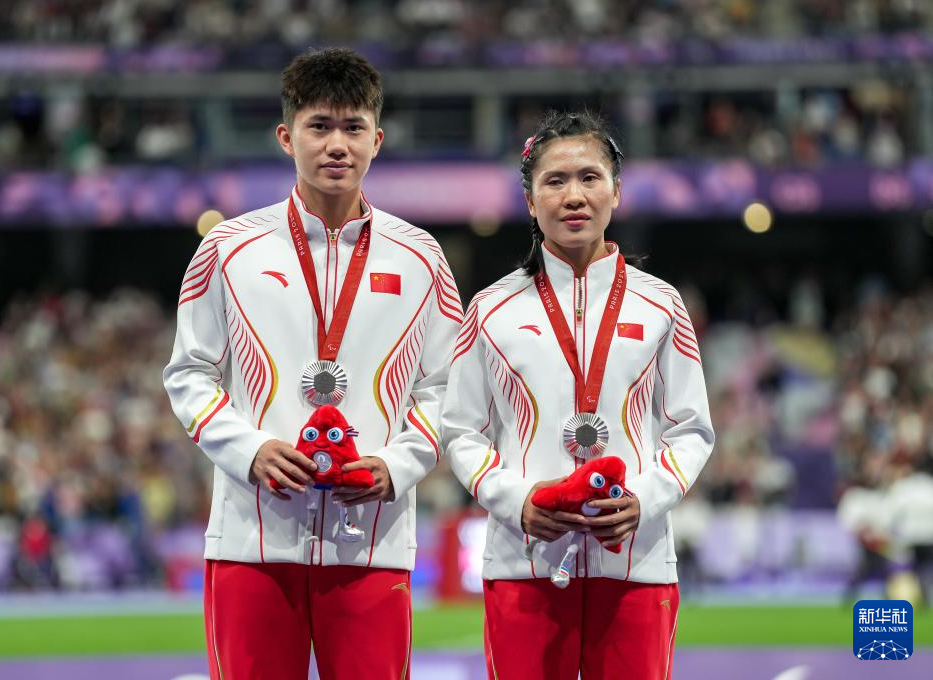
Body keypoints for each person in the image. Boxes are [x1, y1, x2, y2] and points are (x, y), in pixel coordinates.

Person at [163, 48, 462, 680]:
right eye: (318, 126)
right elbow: (188, 374)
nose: (336, 145)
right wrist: (248, 450)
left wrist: (399, 464)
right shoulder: (227, 249)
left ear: (377, 140)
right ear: (286, 136)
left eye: (353, 128)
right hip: (252, 540)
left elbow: (449, 388)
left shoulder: (422, 258)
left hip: (372, 541)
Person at [441, 110, 714, 679]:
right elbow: (461, 431)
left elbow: (691, 429)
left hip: (636, 562)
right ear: (529, 200)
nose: (574, 195)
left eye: (590, 177)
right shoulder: (490, 309)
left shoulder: (662, 304)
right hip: (524, 563)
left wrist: (644, 500)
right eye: (555, 181)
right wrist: (516, 501)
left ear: (616, 192)